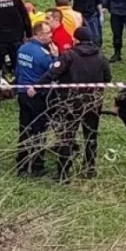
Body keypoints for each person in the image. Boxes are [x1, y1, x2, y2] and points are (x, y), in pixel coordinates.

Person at [29, 27, 112, 183]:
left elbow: (52, 73)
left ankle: (63, 173)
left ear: (76, 40)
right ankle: (89, 168)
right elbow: (108, 77)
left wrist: (36, 86)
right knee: (91, 135)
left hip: (70, 102)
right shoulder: (101, 56)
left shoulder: (69, 55)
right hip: (93, 101)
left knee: (67, 136)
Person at [15, 22, 56, 177]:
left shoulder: (22, 48)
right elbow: (53, 72)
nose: (50, 35)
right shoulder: (43, 55)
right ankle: (37, 164)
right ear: (39, 35)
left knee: (24, 129)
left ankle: (22, 164)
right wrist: (55, 56)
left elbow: (18, 69)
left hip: (22, 93)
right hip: (38, 96)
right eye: (48, 32)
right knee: (39, 130)